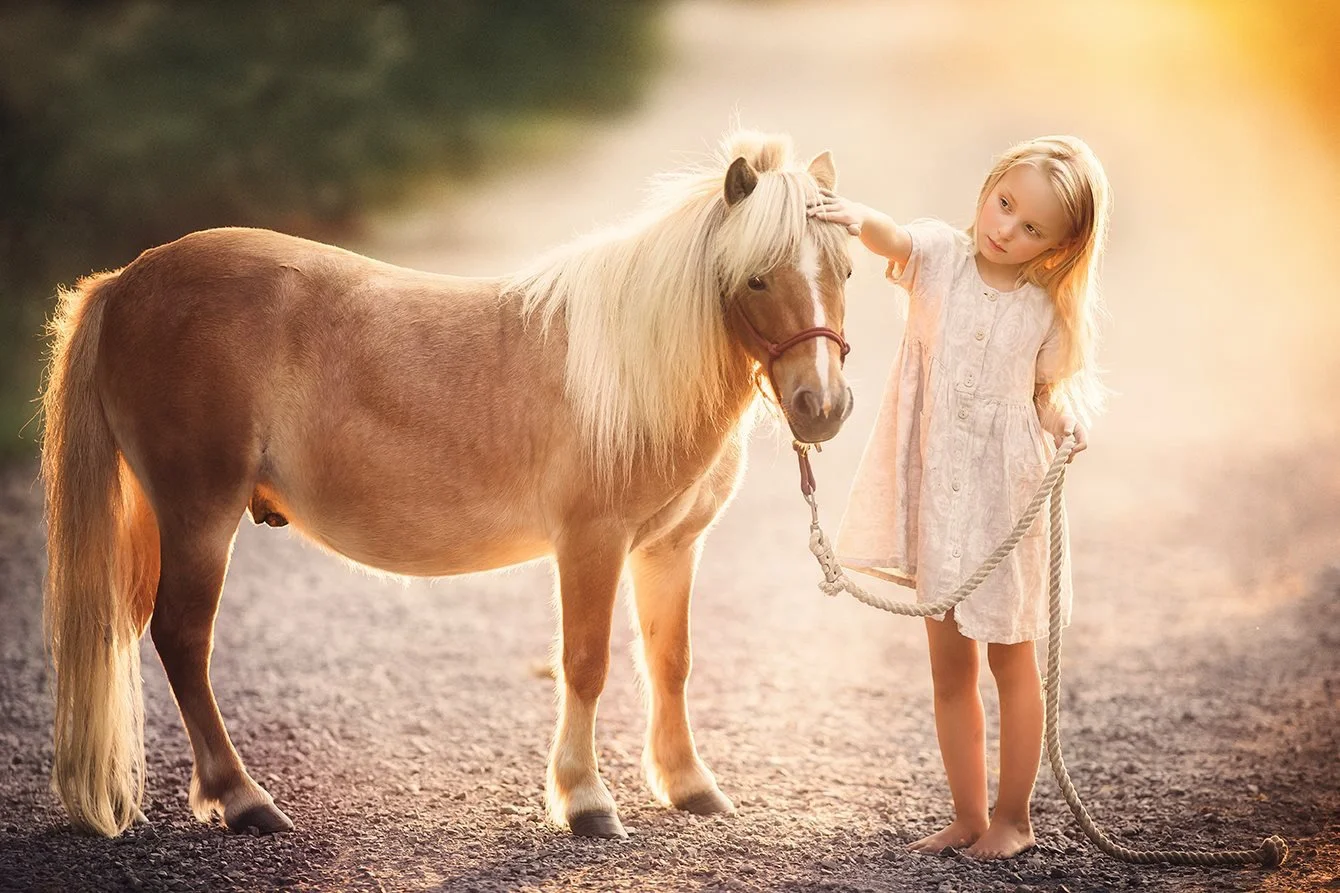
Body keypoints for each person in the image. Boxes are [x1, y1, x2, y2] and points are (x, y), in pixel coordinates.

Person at [808, 136, 1111, 859]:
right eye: (1004, 204)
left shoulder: (1047, 310)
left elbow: (1045, 396)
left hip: (1003, 502)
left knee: (1012, 659)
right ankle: (968, 814)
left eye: (1031, 227)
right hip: (939, 499)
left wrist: (1065, 422)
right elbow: (895, 235)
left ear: (1060, 245)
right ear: (990, 186)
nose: (1005, 229)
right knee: (950, 667)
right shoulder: (940, 256)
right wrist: (852, 215)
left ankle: (1016, 817)